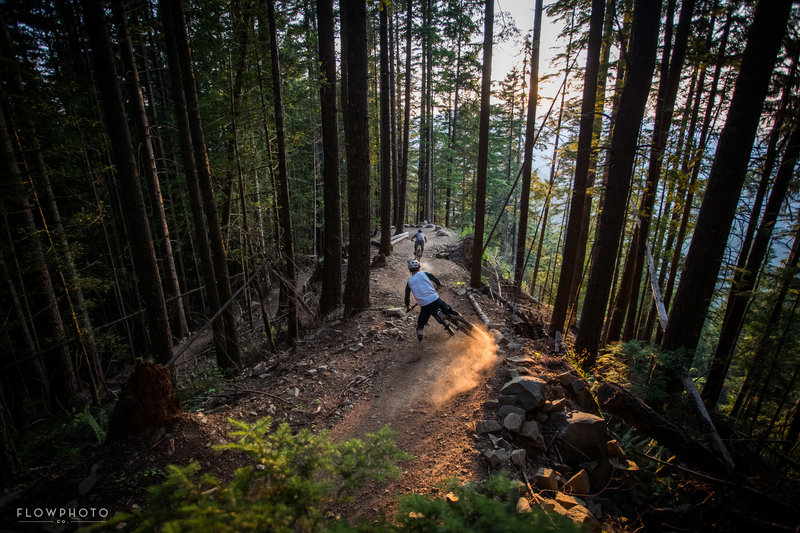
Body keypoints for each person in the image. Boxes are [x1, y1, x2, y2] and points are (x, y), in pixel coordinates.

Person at [404, 259, 462, 342]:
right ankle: (463, 320)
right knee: (449, 310)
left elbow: (407, 296)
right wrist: (437, 286)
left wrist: (408, 306)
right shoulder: (425, 274)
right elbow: (437, 281)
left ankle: (420, 339)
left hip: (424, 305)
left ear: (410, 270)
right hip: (435, 299)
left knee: (420, 324)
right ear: (419, 268)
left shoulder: (409, 282)